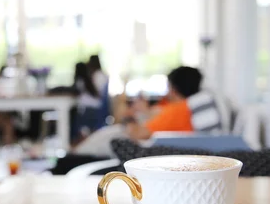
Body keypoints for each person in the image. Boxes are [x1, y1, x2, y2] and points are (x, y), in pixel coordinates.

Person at [74, 66, 203, 156]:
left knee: (103, 138)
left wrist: (129, 119)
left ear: (173, 88)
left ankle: (71, 158)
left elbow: (138, 134)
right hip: (139, 134)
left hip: (133, 142)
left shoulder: (178, 110)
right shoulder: (179, 107)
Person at [72, 62, 101, 142]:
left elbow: (76, 92)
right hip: (96, 107)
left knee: (80, 125)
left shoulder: (80, 81)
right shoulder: (89, 79)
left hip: (88, 109)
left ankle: (81, 142)